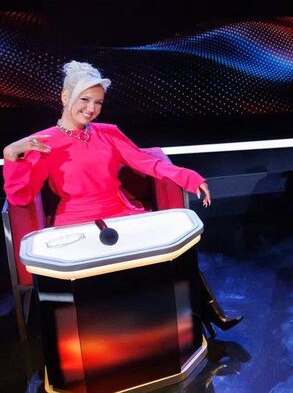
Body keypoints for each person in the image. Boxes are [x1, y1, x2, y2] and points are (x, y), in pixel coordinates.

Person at [2, 60, 242, 337]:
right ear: (65, 97)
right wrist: (11, 156)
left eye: (98, 102)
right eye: (84, 99)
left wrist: (189, 177)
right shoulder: (41, 142)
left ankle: (202, 312)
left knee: (175, 249)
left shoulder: (108, 132)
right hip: (76, 221)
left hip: (120, 212)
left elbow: (146, 162)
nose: (91, 109)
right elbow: (20, 197)